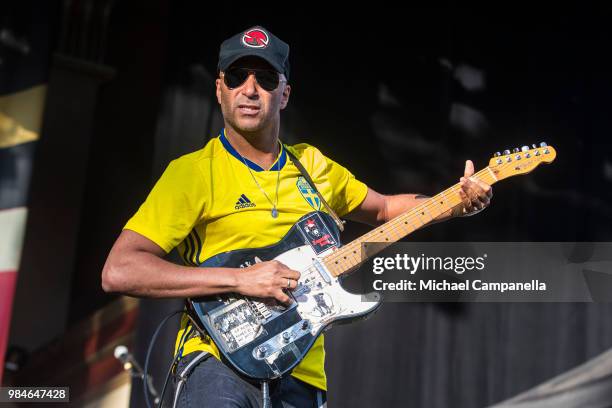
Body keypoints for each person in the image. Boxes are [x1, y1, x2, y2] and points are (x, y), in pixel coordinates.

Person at [101, 26, 492, 408]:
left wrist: (454, 200)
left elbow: (386, 209)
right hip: (218, 363)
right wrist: (240, 279)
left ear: (284, 94)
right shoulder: (192, 173)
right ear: (219, 89)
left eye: (266, 79)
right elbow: (120, 270)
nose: (250, 90)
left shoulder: (312, 164)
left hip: (301, 377)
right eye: (237, 77)